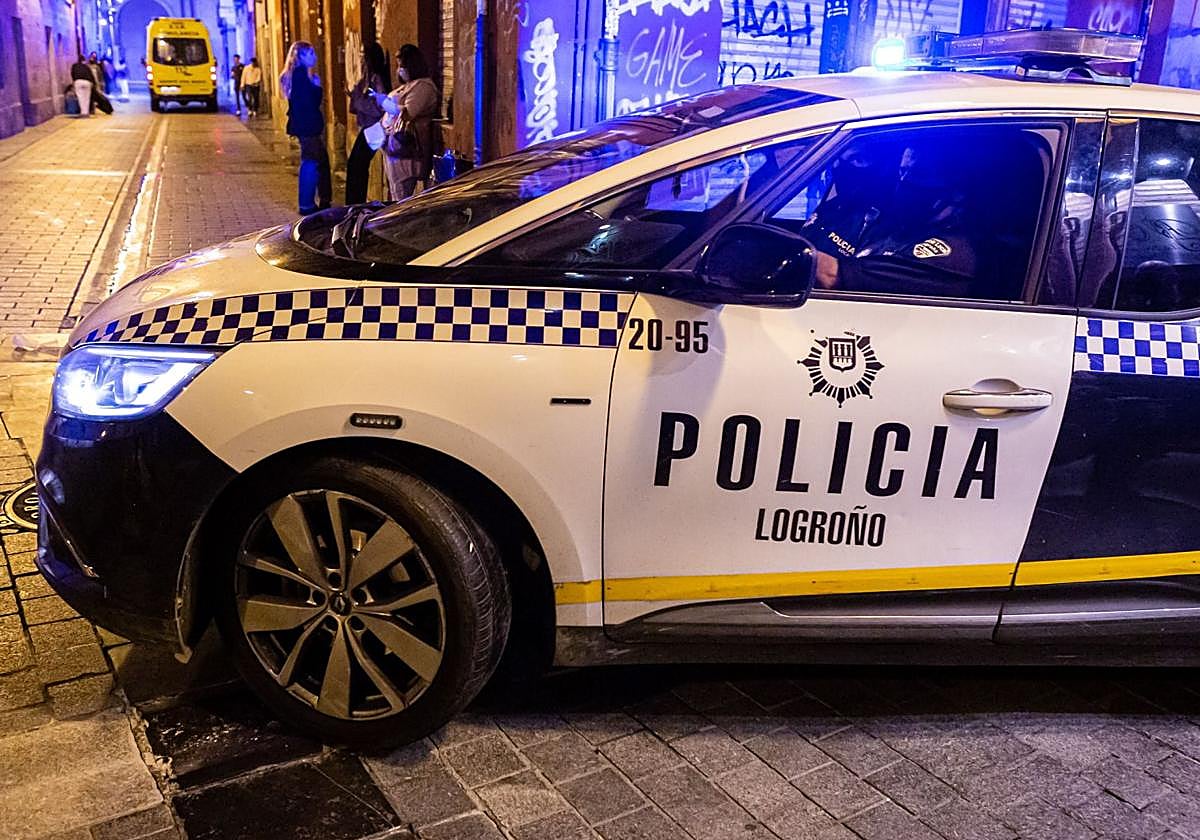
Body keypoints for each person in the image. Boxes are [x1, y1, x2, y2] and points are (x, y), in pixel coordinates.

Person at [811, 142, 983, 298]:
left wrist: (795, 252)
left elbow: (833, 276)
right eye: (903, 171)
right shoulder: (899, 226)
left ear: (956, 192)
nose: (905, 181)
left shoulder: (951, 255)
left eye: (919, 174)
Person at [376, 44, 438, 200]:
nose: (399, 70)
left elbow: (409, 112)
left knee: (402, 197)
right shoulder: (406, 86)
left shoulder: (423, 87)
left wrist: (388, 105)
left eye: (402, 65)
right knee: (396, 191)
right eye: (398, 65)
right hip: (393, 148)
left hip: (407, 149)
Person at [281, 41, 331, 214]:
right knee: (312, 162)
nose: (315, 57)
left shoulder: (297, 75)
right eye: (311, 54)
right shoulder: (301, 75)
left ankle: (319, 200)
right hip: (307, 126)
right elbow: (309, 103)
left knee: (318, 160)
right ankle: (307, 204)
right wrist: (317, 87)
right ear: (301, 56)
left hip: (305, 126)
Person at [345, 42, 391, 205]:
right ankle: (355, 203)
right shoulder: (366, 78)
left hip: (375, 128)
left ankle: (354, 204)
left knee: (356, 164)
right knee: (357, 165)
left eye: (365, 56)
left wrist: (358, 101)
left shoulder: (376, 78)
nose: (362, 59)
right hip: (368, 127)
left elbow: (379, 107)